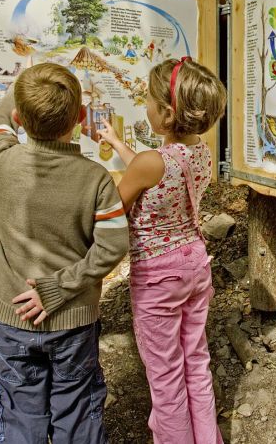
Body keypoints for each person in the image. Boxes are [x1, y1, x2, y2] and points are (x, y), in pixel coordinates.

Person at [0, 62, 129, 444]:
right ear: (81, 117)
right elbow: (113, 245)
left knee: (18, 412)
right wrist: (60, 287)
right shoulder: (95, 179)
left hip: (11, 317)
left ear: (19, 117)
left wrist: (23, 82)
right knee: (77, 410)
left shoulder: (1, 161)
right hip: (73, 322)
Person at [97, 57, 227, 444]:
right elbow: (149, 167)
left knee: (166, 377)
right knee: (196, 363)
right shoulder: (199, 152)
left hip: (159, 276)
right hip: (195, 266)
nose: (145, 107)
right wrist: (118, 142)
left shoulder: (153, 162)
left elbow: (111, 208)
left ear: (167, 114)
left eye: (150, 101)